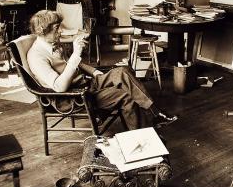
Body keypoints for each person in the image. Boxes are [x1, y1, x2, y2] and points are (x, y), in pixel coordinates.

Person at [27, 10, 177, 130]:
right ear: (42, 31)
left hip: (85, 84)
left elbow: (73, 64)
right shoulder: (36, 56)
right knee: (127, 95)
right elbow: (60, 87)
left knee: (122, 71)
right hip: (73, 97)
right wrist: (75, 54)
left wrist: (93, 71)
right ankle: (145, 137)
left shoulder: (53, 43)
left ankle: (154, 112)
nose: (60, 31)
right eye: (56, 28)